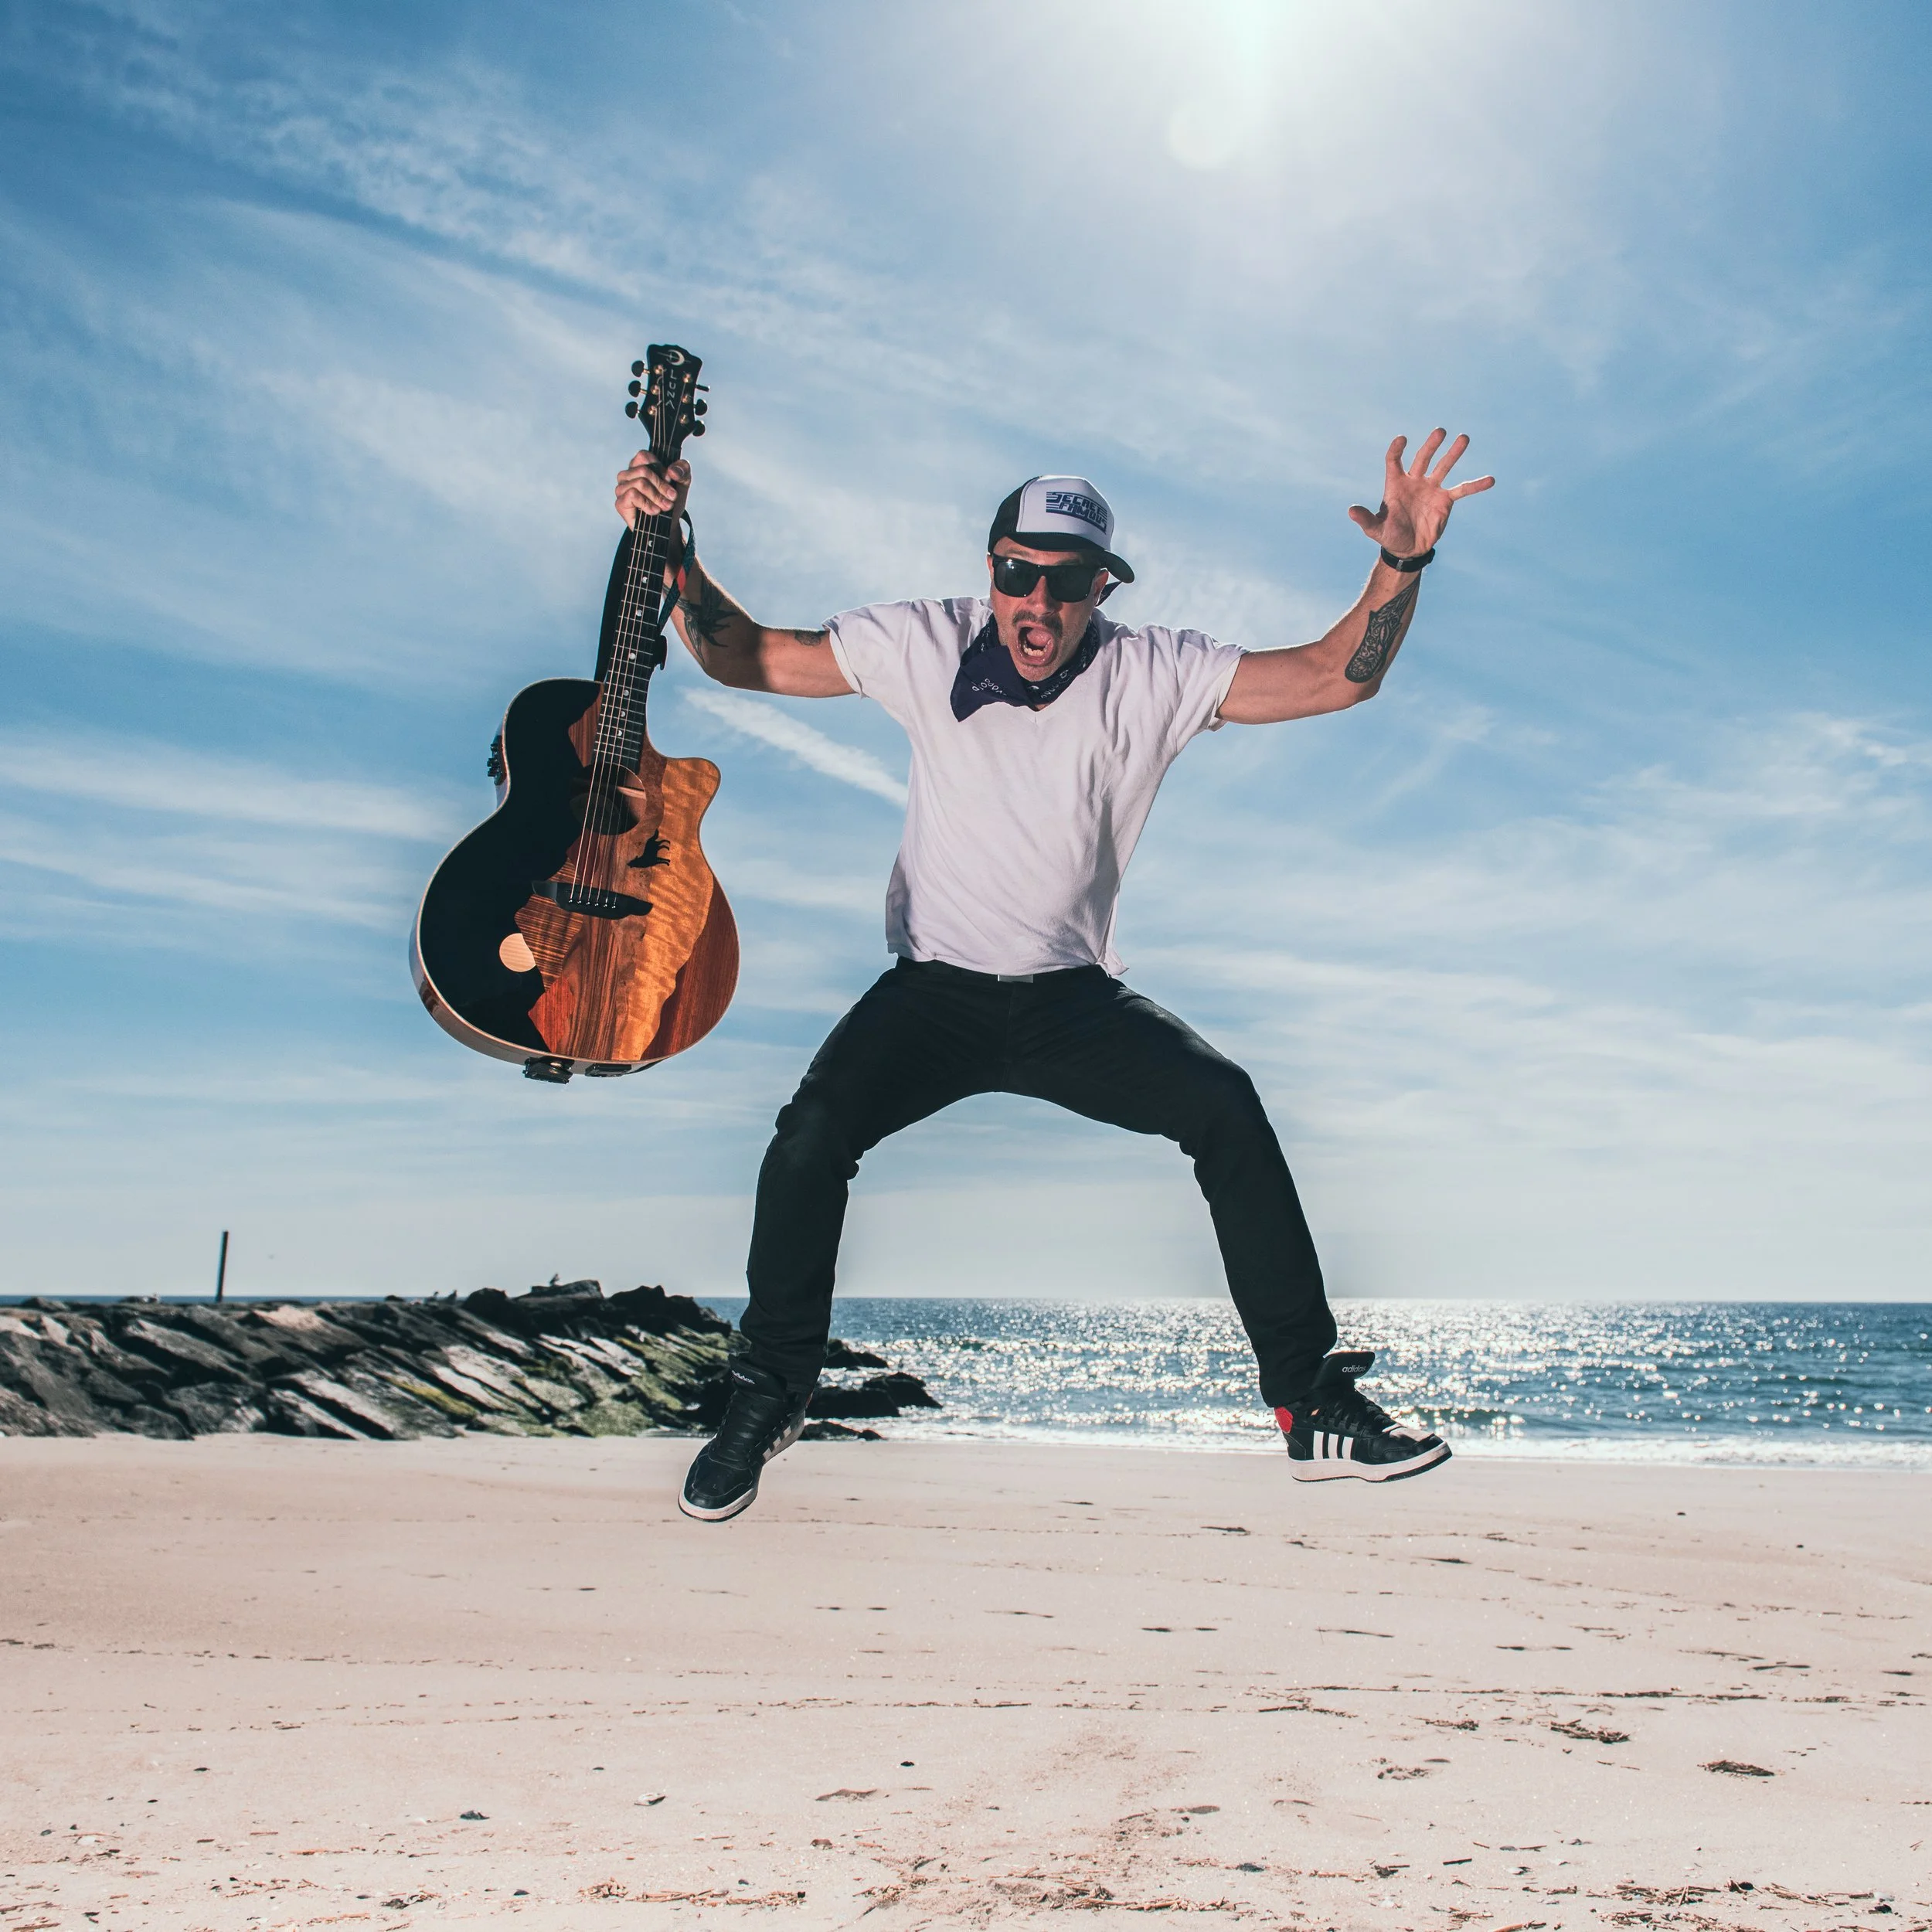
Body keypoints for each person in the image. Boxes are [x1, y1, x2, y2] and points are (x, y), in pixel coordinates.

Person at [614, 434, 1495, 1522]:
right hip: (932, 993)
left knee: (1225, 1106)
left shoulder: (1152, 671)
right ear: (989, 569)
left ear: (1100, 590)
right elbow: (744, 656)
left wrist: (1400, 561)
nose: (1038, 602)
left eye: (1067, 583)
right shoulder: (921, 642)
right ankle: (771, 1391)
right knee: (809, 1137)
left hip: (1072, 1001)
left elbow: (1331, 677)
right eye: (1017, 573)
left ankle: (1309, 1404)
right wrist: (675, 548)